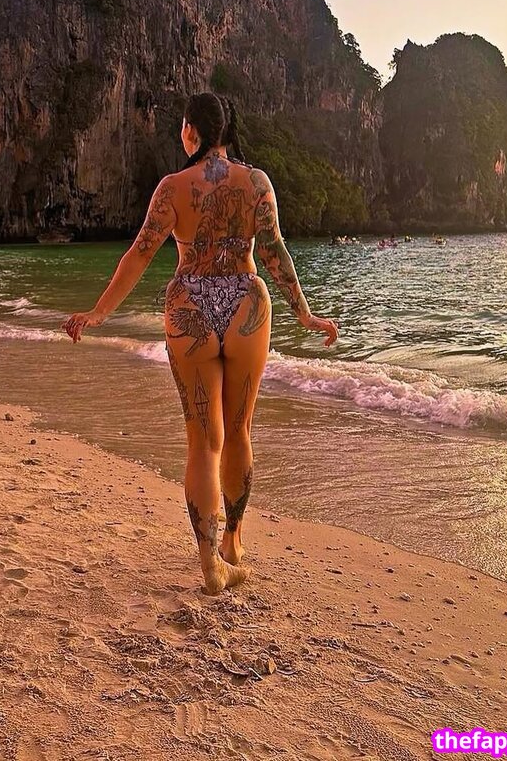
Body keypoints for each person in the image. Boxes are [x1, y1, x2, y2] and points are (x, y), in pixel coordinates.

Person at [63, 93, 339, 595]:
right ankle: (233, 541)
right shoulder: (256, 183)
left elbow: (139, 254)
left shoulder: (173, 188)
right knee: (238, 431)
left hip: (188, 304)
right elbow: (274, 252)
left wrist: (100, 312)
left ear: (191, 131)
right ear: (226, 131)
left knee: (202, 441)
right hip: (245, 303)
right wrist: (305, 313)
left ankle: (210, 563)